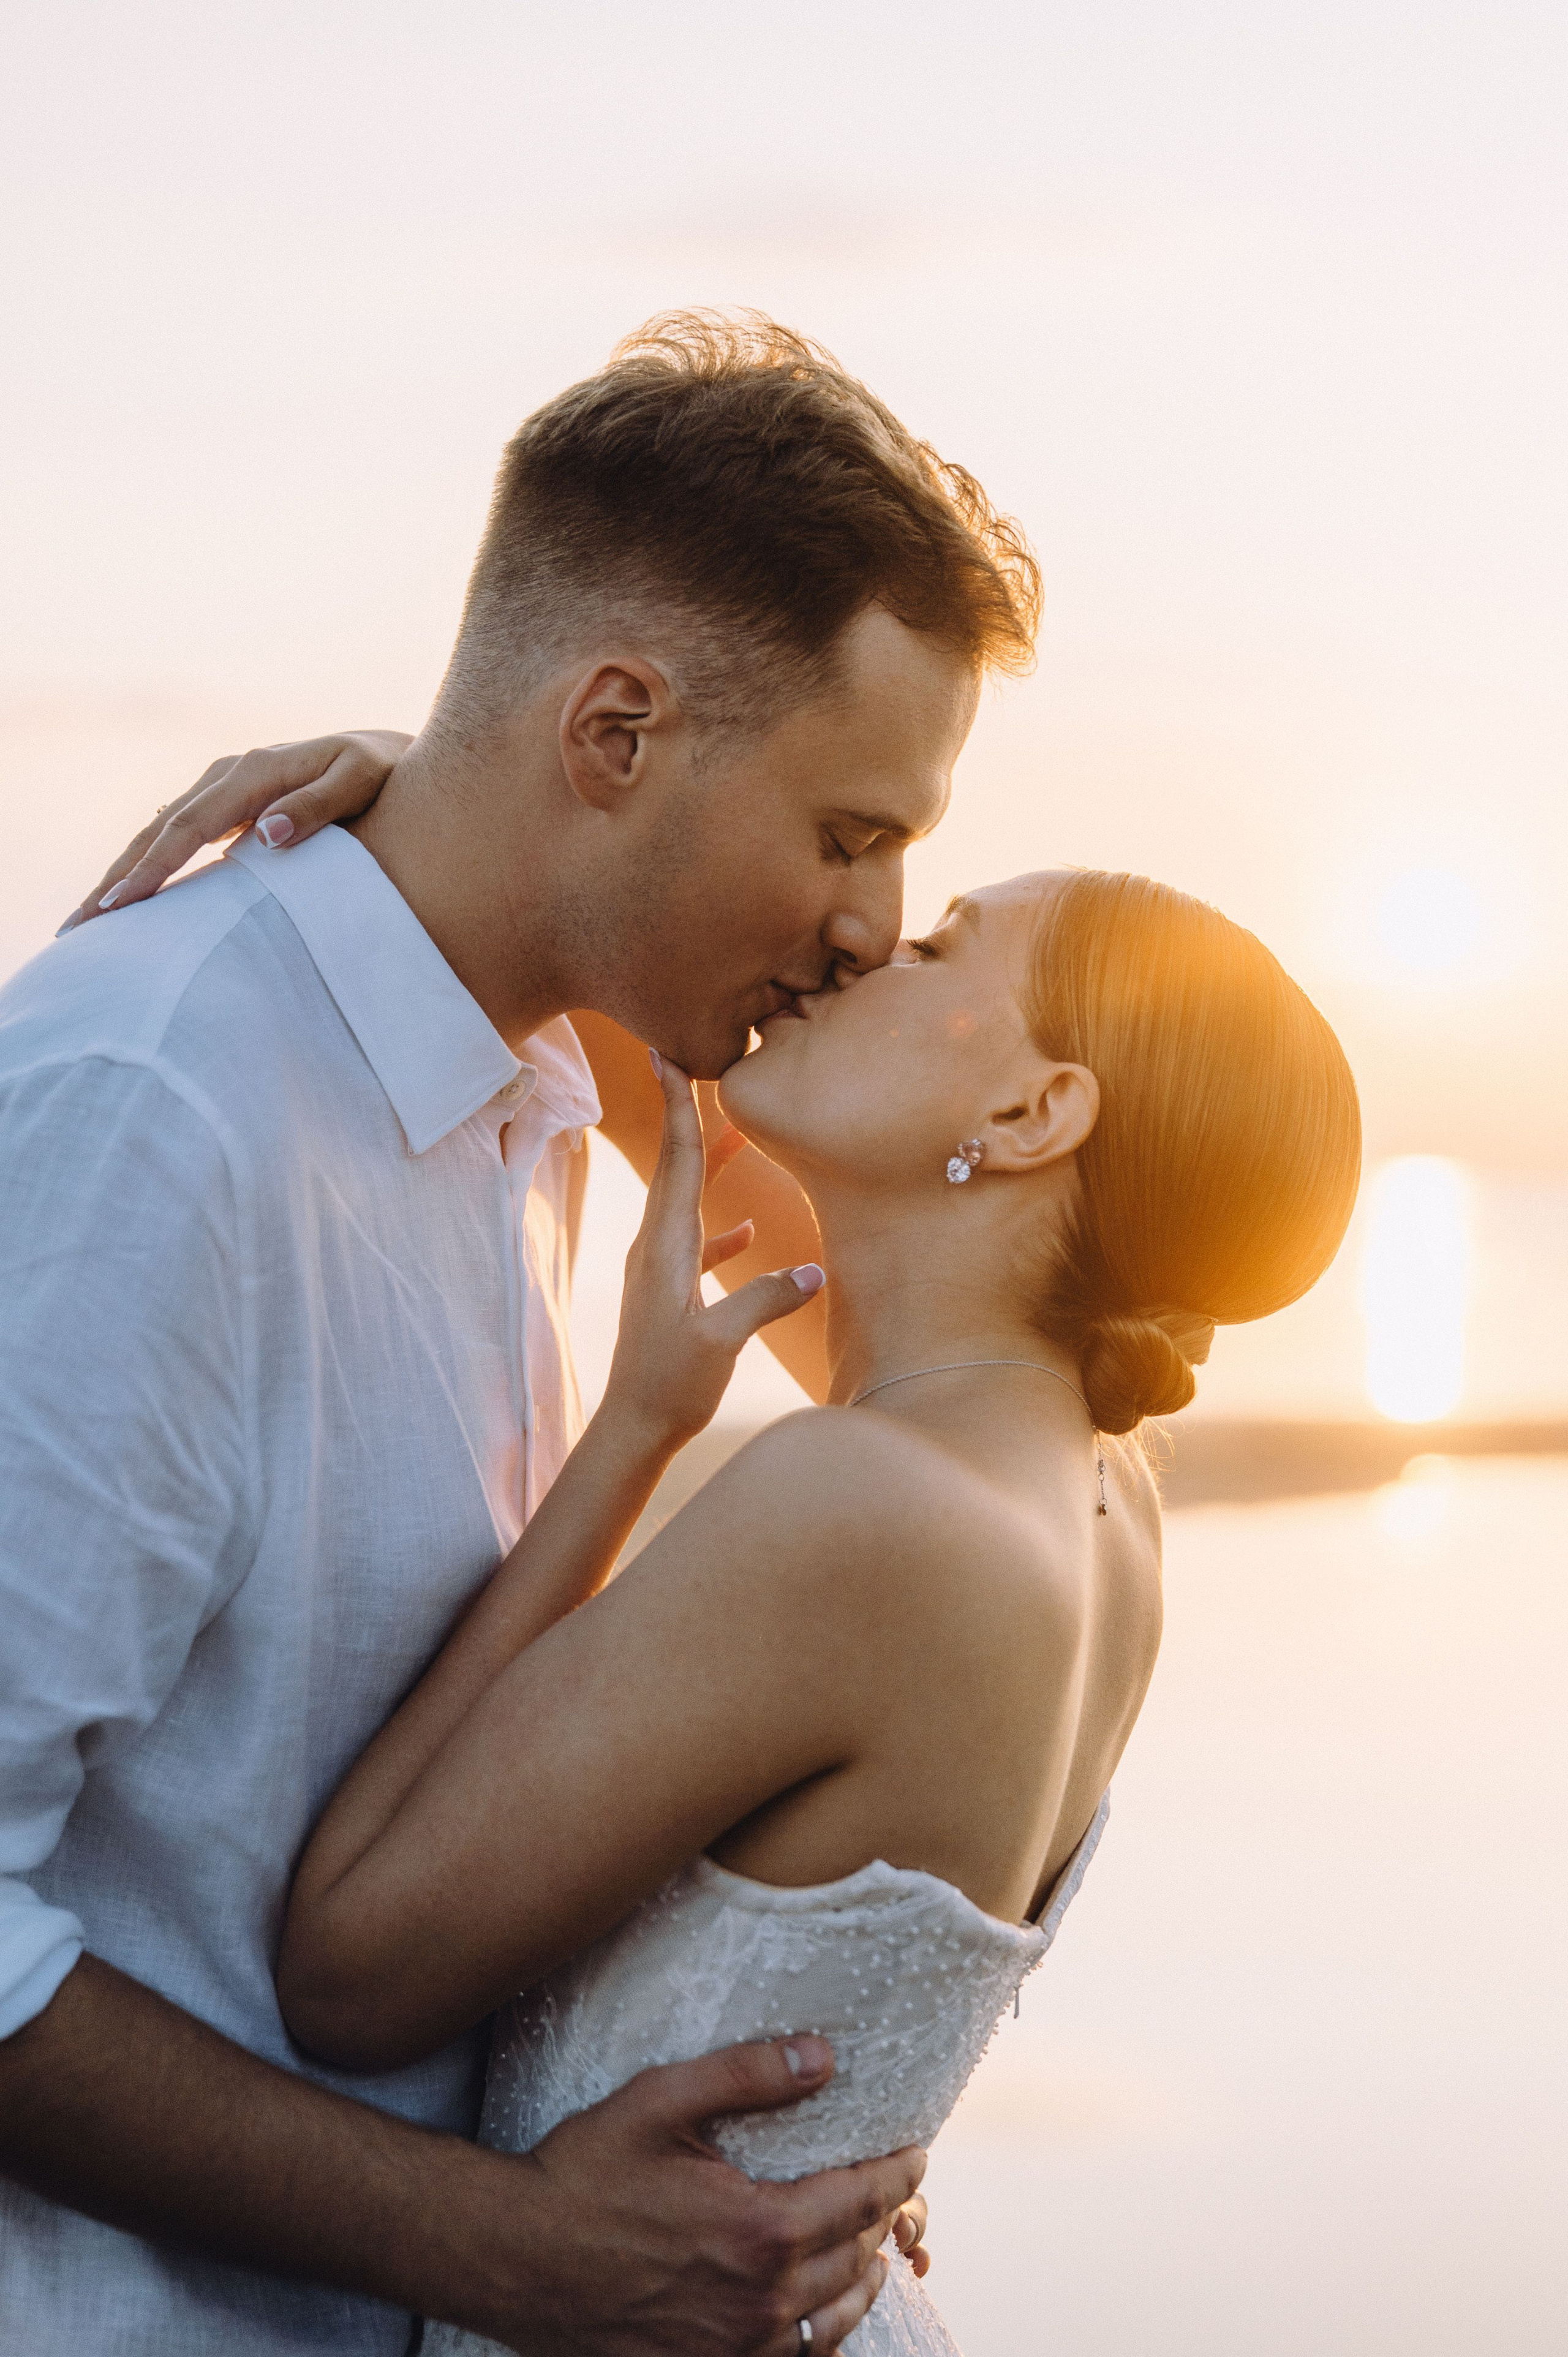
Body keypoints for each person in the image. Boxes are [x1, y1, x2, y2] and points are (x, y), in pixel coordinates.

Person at [0, 312, 1041, 2356]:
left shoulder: (561, 1079)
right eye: (849, 833)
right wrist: (502, 2243)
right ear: (619, 734)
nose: (870, 920)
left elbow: (947, 1368)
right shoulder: (159, 1106)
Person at [82, 853, 1357, 2355]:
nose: (860, 951)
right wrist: (431, 833)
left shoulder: (864, 1512)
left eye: (941, 947)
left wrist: (630, 1433)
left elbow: (350, 1968)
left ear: (1029, 1114)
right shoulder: (1086, 1490)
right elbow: (654, 1089)